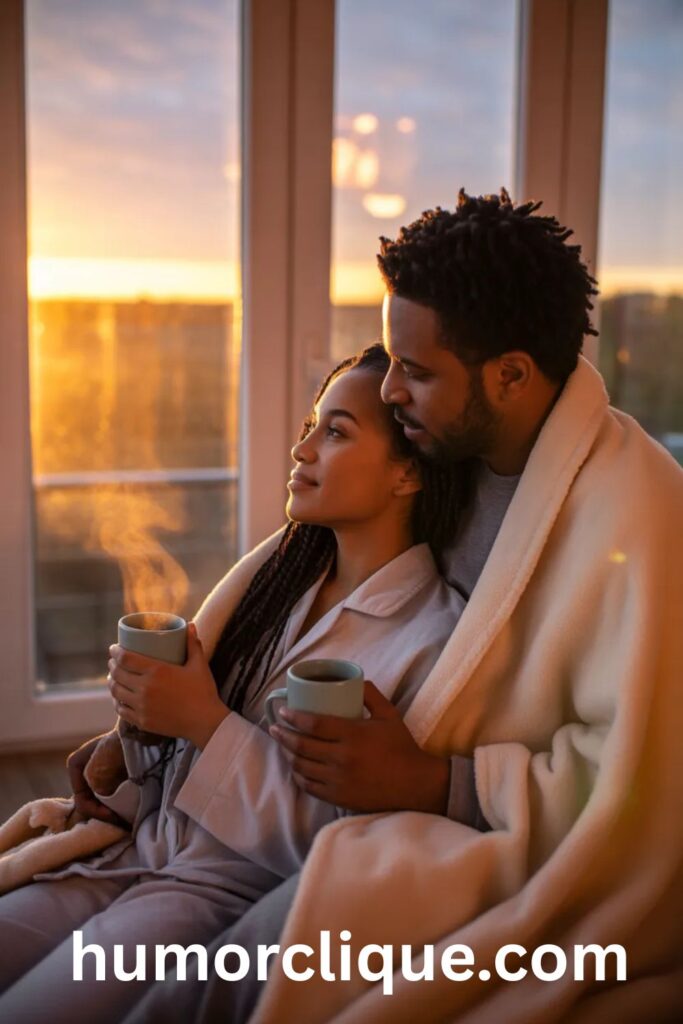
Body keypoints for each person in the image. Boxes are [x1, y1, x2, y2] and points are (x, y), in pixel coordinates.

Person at [128, 188, 682, 1024]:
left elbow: (645, 786)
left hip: (489, 836)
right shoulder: (452, 453)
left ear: (510, 375)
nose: (388, 393)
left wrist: (436, 783)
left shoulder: (638, 514)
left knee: (230, 979)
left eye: (415, 372)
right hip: (369, 807)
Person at [0, 344, 479, 1023]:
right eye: (311, 425)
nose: (302, 448)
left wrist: (202, 720)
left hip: (220, 896)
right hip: (138, 849)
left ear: (408, 473)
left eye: (335, 432)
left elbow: (346, 851)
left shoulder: (431, 638)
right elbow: (183, 762)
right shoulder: (274, 585)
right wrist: (136, 730)